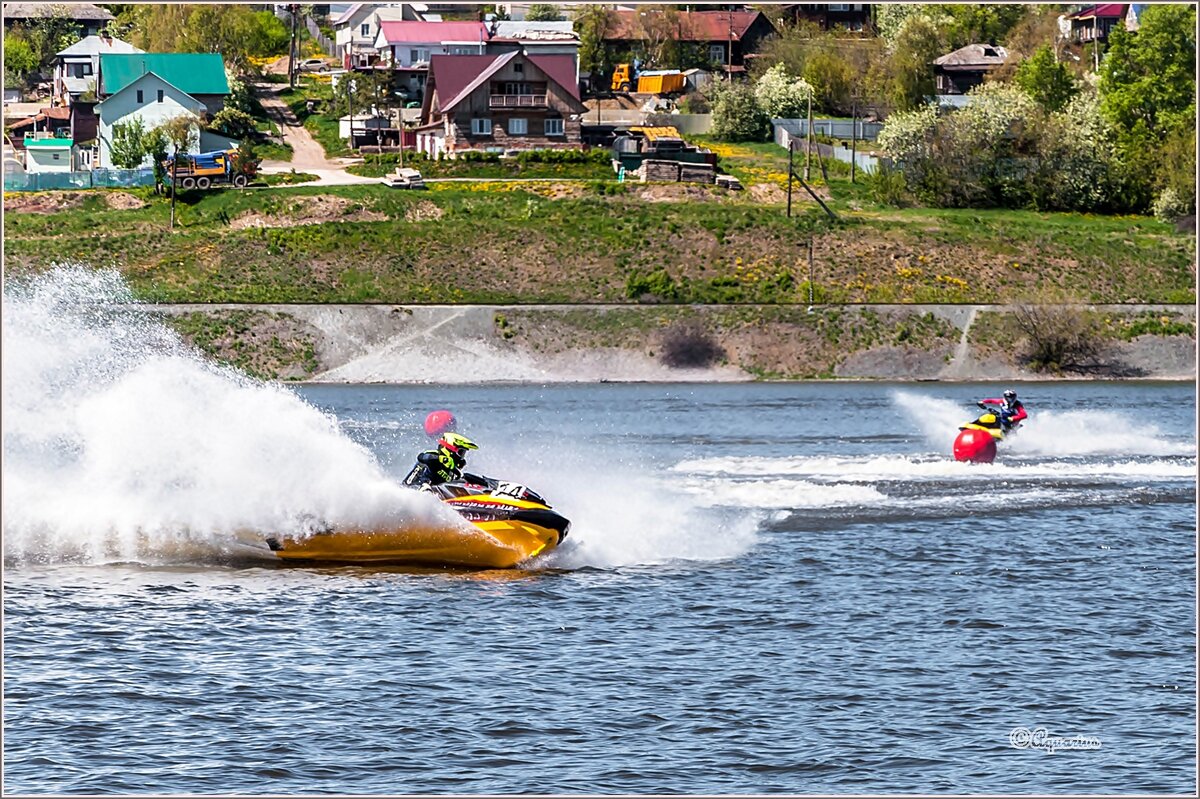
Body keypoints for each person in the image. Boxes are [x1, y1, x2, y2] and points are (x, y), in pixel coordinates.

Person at [403, 432, 480, 488]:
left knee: (464, 479)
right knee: (426, 487)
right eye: (461, 452)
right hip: (412, 489)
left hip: (436, 496)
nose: (461, 457)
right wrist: (442, 459)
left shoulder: (453, 471)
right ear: (449, 449)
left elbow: (463, 477)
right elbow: (421, 457)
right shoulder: (433, 456)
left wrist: (486, 482)